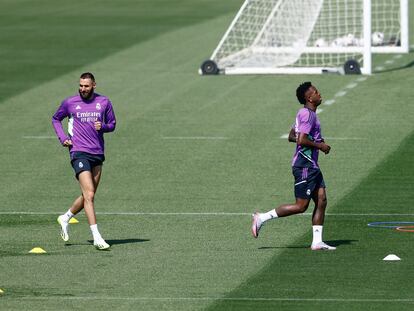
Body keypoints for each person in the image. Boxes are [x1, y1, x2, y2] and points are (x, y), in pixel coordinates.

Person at [251, 81, 335, 251]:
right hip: (304, 166)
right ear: (309, 97)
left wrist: (316, 140)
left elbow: (291, 136)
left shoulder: (305, 113)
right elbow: (301, 139)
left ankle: (317, 242)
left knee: (321, 200)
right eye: (316, 92)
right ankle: (262, 218)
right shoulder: (308, 115)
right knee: (301, 206)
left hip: (312, 165)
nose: (319, 94)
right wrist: (320, 146)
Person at [52, 72, 116, 250]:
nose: (82, 89)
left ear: (94, 85)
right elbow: (56, 119)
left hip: (97, 153)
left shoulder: (104, 102)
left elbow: (112, 124)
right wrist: (63, 137)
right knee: (90, 195)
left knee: (88, 194)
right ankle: (97, 237)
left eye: (86, 86)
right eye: (80, 85)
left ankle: (65, 217)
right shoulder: (70, 103)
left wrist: (102, 127)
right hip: (78, 152)